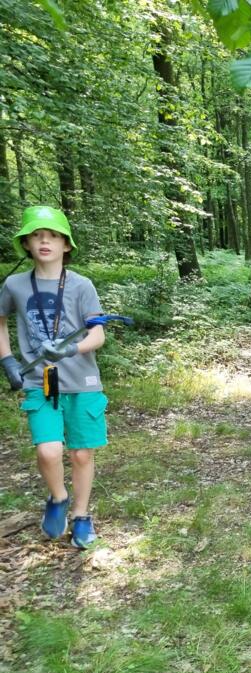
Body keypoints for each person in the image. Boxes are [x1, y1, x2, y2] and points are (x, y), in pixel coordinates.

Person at [0, 206, 108, 549]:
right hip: (38, 382)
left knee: (81, 454)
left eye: (54, 235)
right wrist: (7, 359)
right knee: (48, 451)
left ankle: (80, 515)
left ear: (66, 245)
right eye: (36, 234)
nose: (44, 240)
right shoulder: (15, 284)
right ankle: (58, 497)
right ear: (27, 244)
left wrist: (72, 350)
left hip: (83, 382)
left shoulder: (82, 285)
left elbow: (98, 334)